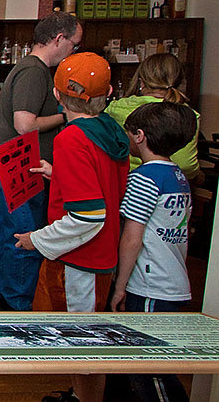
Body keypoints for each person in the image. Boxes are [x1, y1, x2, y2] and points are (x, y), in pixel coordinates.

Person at [14, 52, 130, 402]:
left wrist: (36, 239)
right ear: (108, 92)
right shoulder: (110, 129)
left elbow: (88, 216)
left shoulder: (71, 139)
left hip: (81, 261)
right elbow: (103, 185)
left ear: (58, 94)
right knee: (88, 337)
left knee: (82, 344)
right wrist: (59, 172)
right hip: (104, 255)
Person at [0, 12, 83, 311]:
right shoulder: (35, 71)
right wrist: (65, 116)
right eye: (74, 44)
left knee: (3, 231)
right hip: (18, 167)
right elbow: (25, 124)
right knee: (25, 235)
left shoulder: (27, 68)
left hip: (6, 165)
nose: (73, 50)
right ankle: (17, 301)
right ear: (59, 39)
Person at [110, 101, 197, 402]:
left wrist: (120, 285)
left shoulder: (144, 178)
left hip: (149, 285)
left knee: (149, 366)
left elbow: (133, 236)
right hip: (172, 279)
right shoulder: (178, 176)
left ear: (139, 136)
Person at [105, 53, 203, 184]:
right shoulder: (187, 115)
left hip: (120, 182)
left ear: (141, 82)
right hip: (167, 184)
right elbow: (185, 165)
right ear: (179, 81)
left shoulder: (115, 109)